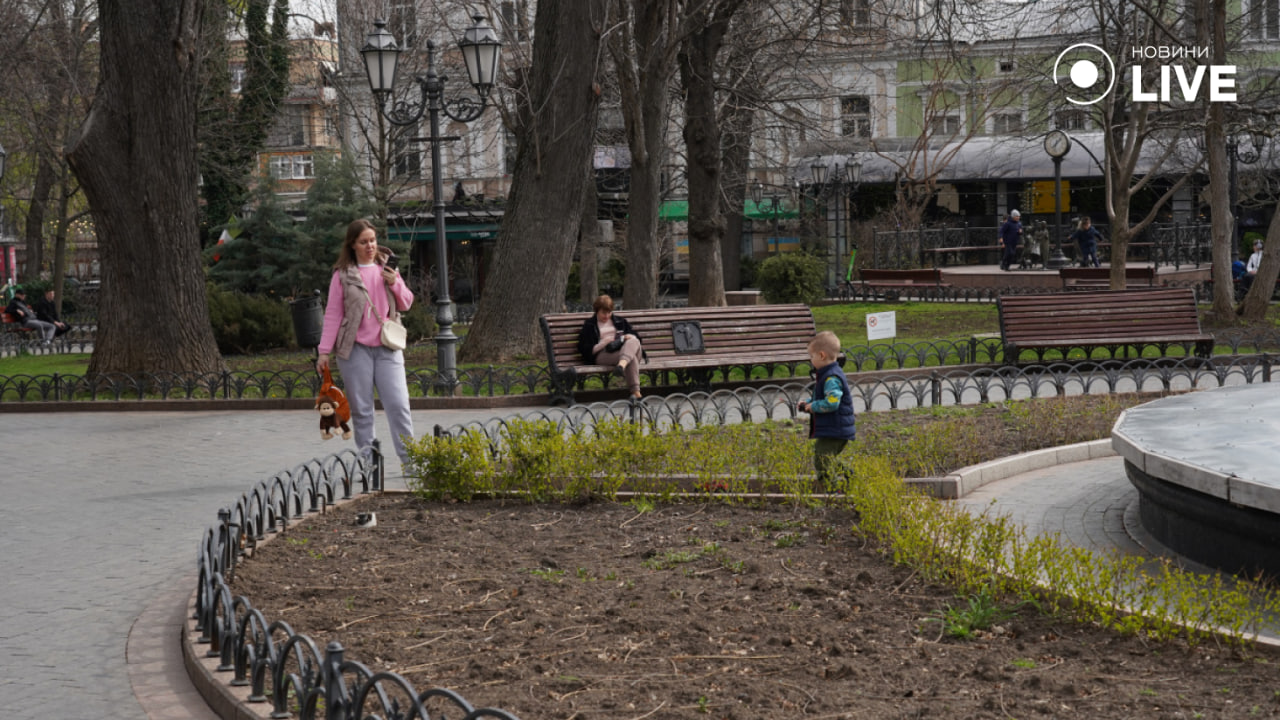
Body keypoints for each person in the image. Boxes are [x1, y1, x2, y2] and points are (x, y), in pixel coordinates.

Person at [315, 219, 415, 466]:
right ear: (352, 244)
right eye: (363, 242)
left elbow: (406, 303)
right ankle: (369, 464)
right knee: (362, 410)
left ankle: (411, 461)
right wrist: (324, 351)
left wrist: (395, 283)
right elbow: (333, 314)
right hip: (355, 350)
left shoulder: (387, 269)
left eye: (372, 240)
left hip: (388, 348)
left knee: (399, 405)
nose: (370, 246)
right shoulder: (342, 275)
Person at [797, 330, 856, 491]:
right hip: (834, 427)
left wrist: (814, 407)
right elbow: (823, 397)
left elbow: (832, 403)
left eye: (812, 356)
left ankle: (833, 490)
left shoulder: (831, 377)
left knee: (822, 460)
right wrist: (808, 403)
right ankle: (850, 475)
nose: (810, 360)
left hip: (835, 429)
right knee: (826, 458)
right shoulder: (827, 374)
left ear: (822, 355)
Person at [576, 294, 644, 399]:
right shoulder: (590, 325)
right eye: (604, 313)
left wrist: (628, 337)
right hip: (604, 354)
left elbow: (638, 340)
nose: (607, 316)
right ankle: (636, 393)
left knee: (633, 341)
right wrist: (603, 343)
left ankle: (621, 366)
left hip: (625, 349)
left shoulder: (620, 321)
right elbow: (585, 350)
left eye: (609, 312)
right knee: (631, 358)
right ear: (597, 311)